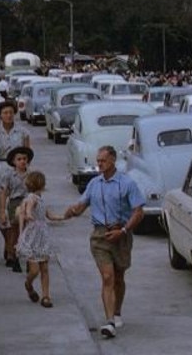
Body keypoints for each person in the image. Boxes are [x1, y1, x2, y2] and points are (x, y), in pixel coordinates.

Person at [60, 145, 145, 339]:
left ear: (113, 160)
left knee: (119, 277)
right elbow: (81, 206)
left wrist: (123, 231)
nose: (99, 164)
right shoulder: (94, 184)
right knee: (107, 277)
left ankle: (117, 312)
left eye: (103, 161)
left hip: (121, 234)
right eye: (97, 161)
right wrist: (71, 211)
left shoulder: (127, 183)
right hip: (99, 236)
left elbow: (139, 212)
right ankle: (109, 322)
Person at [0, 101, 34, 251]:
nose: (8, 115)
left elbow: (27, 153)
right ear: (0, 115)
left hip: (17, 171)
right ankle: (9, 246)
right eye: (5, 113)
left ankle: (11, 248)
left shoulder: (23, 132)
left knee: (16, 210)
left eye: (11, 112)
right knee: (0, 210)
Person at [16, 170, 59, 307]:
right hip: (33, 236)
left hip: (42, 236)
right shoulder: (32, 198)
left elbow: (50, 215)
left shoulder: (40, 200)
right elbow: (28, 209)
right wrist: (29, 215)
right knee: (35, 270)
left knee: (44, 267)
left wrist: (65, 216)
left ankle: (46, 296)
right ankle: (28, 283)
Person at [0, 146, 34, 271]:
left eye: (24, 159)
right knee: (15, 230)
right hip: (15, 202)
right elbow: (3, 192)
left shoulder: (31, 175)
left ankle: (30, 260)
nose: (22, 161)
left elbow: (37, 191)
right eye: (19, 159)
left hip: (29, 202)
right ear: (14, 162)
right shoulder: (8, 175)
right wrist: (2, 211)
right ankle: (14, 257)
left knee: (30, 230)